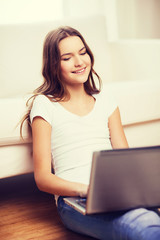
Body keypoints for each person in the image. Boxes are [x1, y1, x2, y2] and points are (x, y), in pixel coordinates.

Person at [21, 26, 160, 240]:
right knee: (146, 227)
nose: (79, 62)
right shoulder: (44, 105)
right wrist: (86, 190)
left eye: (83, 52)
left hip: (117, 195)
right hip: (75, 200)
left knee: (149, 219)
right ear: (53, 65)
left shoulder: (106, 100)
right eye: (67, 57)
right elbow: (42, 178)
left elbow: (126, 161)